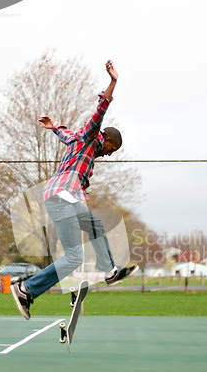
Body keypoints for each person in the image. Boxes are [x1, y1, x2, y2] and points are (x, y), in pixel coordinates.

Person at [11, 60, 138, 320]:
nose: (108, 155)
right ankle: (26, 289)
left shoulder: (79, 139)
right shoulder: (92, 136)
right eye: (112, 150)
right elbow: (99, 113)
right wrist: (113, 83)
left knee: (95, 226)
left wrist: (54, 125)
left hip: (63, 197)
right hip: (62, 197)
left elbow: (66, 134)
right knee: (73, 257)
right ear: (109, 140)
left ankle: (109, 271)